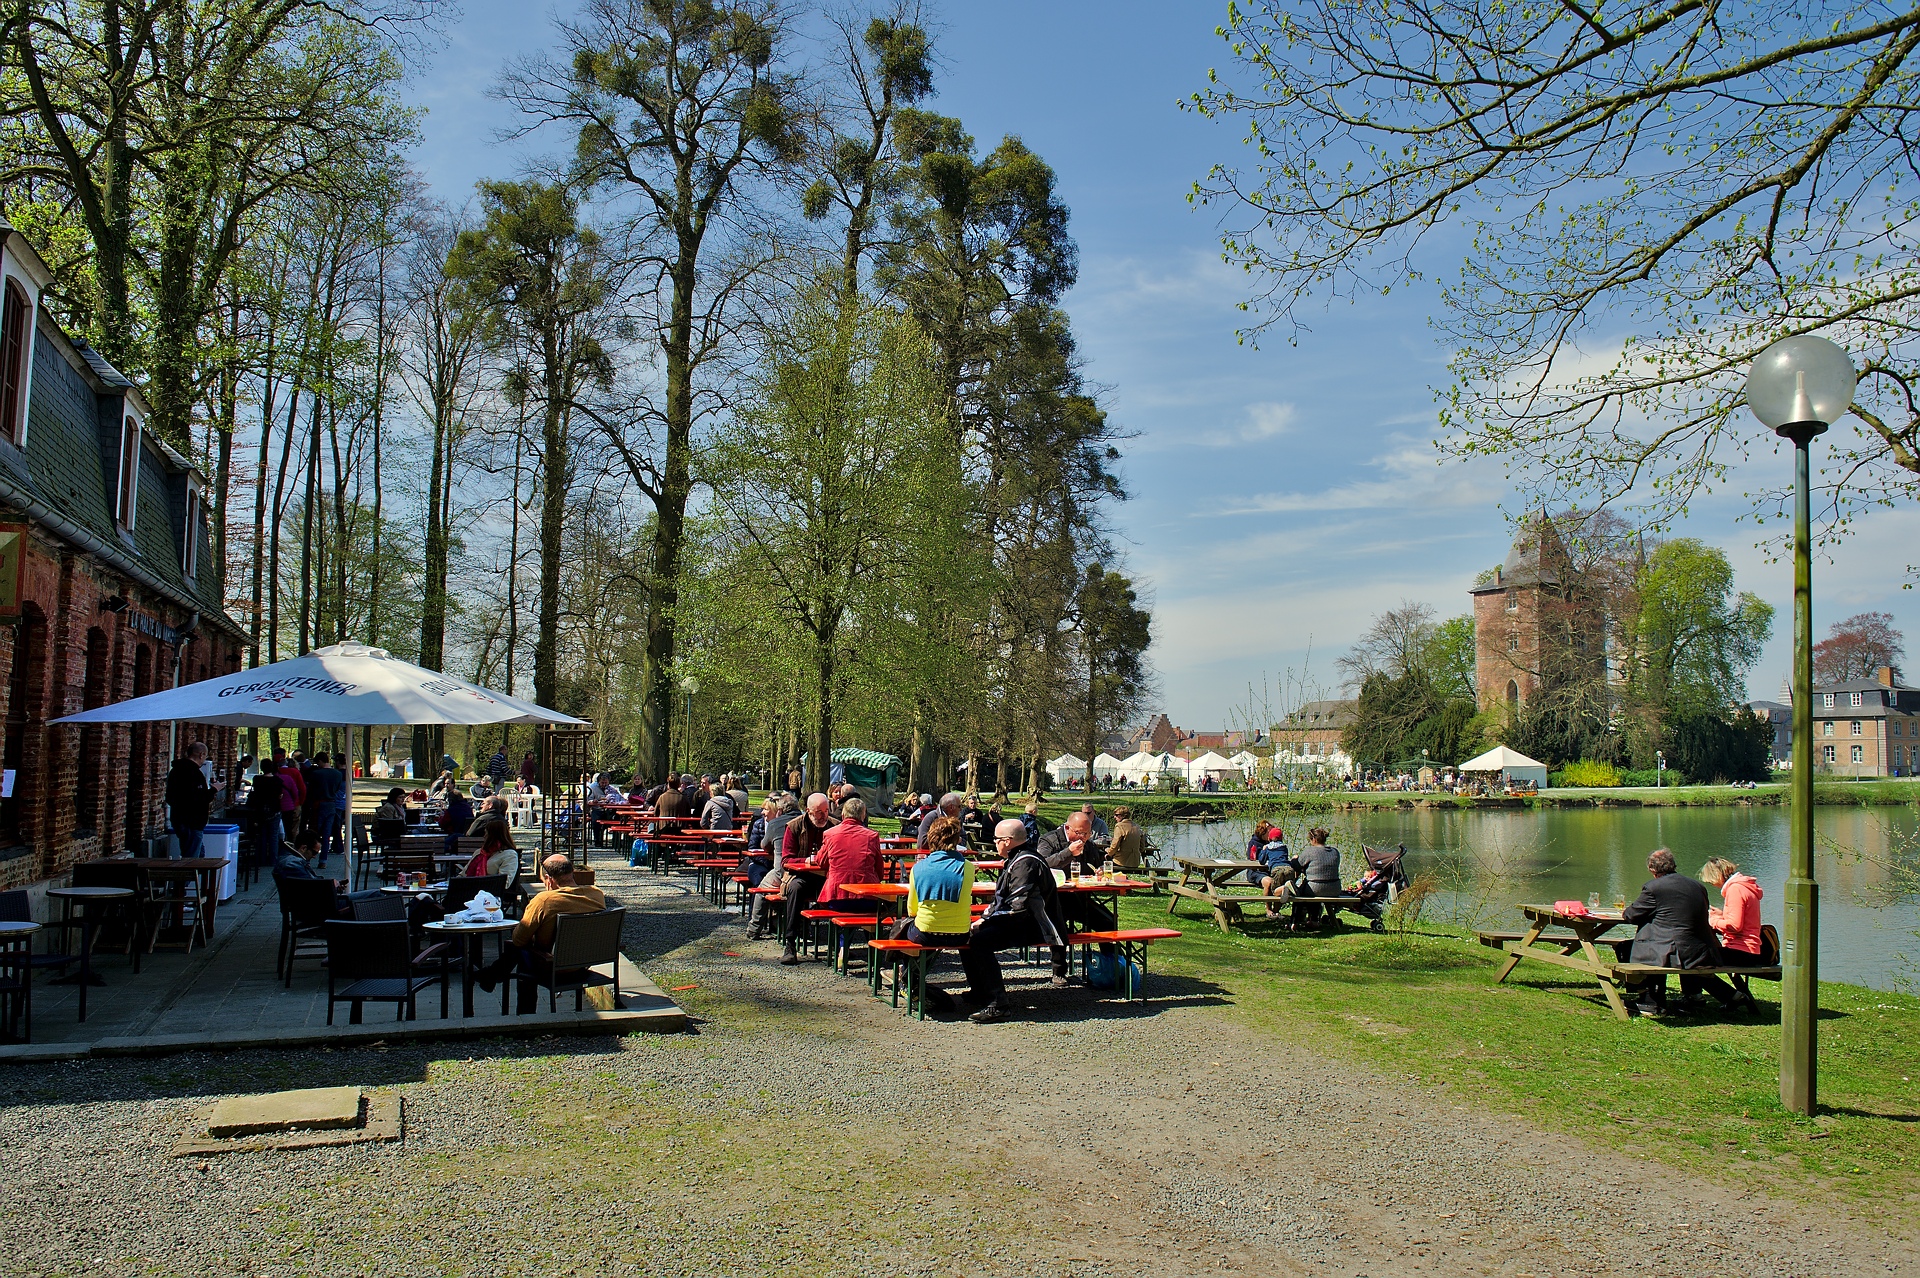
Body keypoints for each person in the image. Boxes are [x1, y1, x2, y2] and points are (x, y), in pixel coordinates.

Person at [960, 818, 1065, 1023]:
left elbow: (1018, 906)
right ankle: (981, 991)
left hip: (1037, 926)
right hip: (1023, 921)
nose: (994, 842)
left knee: (980, 942)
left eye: (996, 839)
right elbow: (1002, 901)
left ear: (1007, 841)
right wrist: (984, 919)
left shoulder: (1025, 863)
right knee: (968, 935)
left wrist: (986, 923)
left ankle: (998, 1005)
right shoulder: (1018, 858)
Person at [473, 853, 607, 1011]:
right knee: (520, 949)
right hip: (584, 963)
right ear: (572, 873)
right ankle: (490, 976)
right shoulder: (596, 895)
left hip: (553, 966)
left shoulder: (544, 901)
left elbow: (518, 939)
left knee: (518, 949)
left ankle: (524, 1011)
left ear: (549, 879)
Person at [1622, 848, 1746, 1014]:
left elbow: (1631, 915)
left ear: (1652, 869)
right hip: (1700, 950)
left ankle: (1650, 1002)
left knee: (1637, 946)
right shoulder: (1697, 886)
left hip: (1673, 951)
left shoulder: (1653, 888)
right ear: (1673, 865)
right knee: (1667, 944)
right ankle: (1696, 996)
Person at [899, 815, 977, 1013]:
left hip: (926, 933)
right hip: (960, 933)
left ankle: (906, 979)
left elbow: (912, 909)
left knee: (901, 930)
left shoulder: (918, 868)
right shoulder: (968, 868)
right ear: (957, 839)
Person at [778, 793, 837, 964]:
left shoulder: (835, 826)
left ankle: (841, 944)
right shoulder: (794, 827)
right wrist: (807, 860)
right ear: (808, 811)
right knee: (795, 889)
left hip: (827, 877)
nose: (823, 816)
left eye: (826, 811)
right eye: (819, 812)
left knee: (841, 888)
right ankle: (790, 943)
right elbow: (786, 860)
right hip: (802, 876)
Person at [745, 793, 800, 940]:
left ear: (780, 810)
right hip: (805, 872)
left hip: (781, 872)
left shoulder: (776, 824)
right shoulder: (806, 821)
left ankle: (754, 928)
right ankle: (802, 927)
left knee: (761, 890)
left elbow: (764, 845)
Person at [164, 742, 224, 859]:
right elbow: (199, 798)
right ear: (201, 755)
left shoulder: (175, 771)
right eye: (205, 756)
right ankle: (189, 871)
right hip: (192, 821)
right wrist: (214, 789)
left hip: (179, 819)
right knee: (192, 858)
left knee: (198, 854)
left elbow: (171, 797)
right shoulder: (194, 773)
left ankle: (193, 870)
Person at [1701, 857, 1766, 964]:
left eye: (1711, 880)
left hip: (1741, 951)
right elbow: (1744, 921)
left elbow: (1734, 926)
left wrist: (1712, 921)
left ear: (1717, 876)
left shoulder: (1735, 889)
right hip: (1750, 950)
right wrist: (1721, 915)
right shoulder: (1744, 887)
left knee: (1695, 957)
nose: (1712, 884)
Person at [1288, 828, 1342, 925]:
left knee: (1300, 892)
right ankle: (1314, 919)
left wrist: (1294, 859)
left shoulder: (1310, 851)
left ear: (1314, 839)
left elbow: (1297, 866)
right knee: (1312, 886)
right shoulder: (1335, 851)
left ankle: (1295, 921)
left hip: (1315, 888)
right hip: (1335, 889)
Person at [306, 750, 347, 866]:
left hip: (318, 803)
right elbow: (337, 788)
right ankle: (323, 860)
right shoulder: (338, 774)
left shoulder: (316, 774)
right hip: (331, 804)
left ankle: (309, 857)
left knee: (314, 832)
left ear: (320, 761)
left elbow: (311, 790)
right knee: (327, 833)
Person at [275, 749, 306, 841]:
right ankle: (292, 845)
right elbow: (302, 789)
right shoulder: (295, 772)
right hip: (294, 803)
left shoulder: (276, 773)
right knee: (294, 828)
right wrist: (300, 802)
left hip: (276, 805)